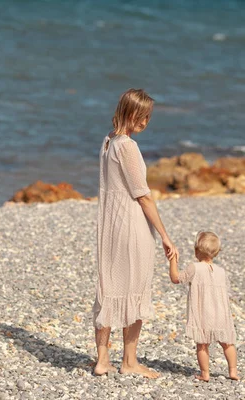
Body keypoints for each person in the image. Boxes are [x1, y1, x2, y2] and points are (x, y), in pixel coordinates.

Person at [92, 88, 178, 379]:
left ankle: (102, 361)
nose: (145, 122)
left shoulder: (107, 142)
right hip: (131, 224)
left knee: (108, 287)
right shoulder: (127, 146)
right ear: (130, 113)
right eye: (142, 117)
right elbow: (143, 196)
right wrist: (165, 235)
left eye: (148, 117)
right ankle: (129, 361)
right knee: (137, 289)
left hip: (109, 225)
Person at [168, 231, 239, 381]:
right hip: (221, 313)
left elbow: (176, 278)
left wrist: (173, 260)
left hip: (203, 313)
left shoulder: (195, 268)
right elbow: (227, 292)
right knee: (227, 343)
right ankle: (233, 371)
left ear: (196, 251)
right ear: (217, 252)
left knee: (202, 345)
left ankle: (205, 373)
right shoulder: (221, 271)